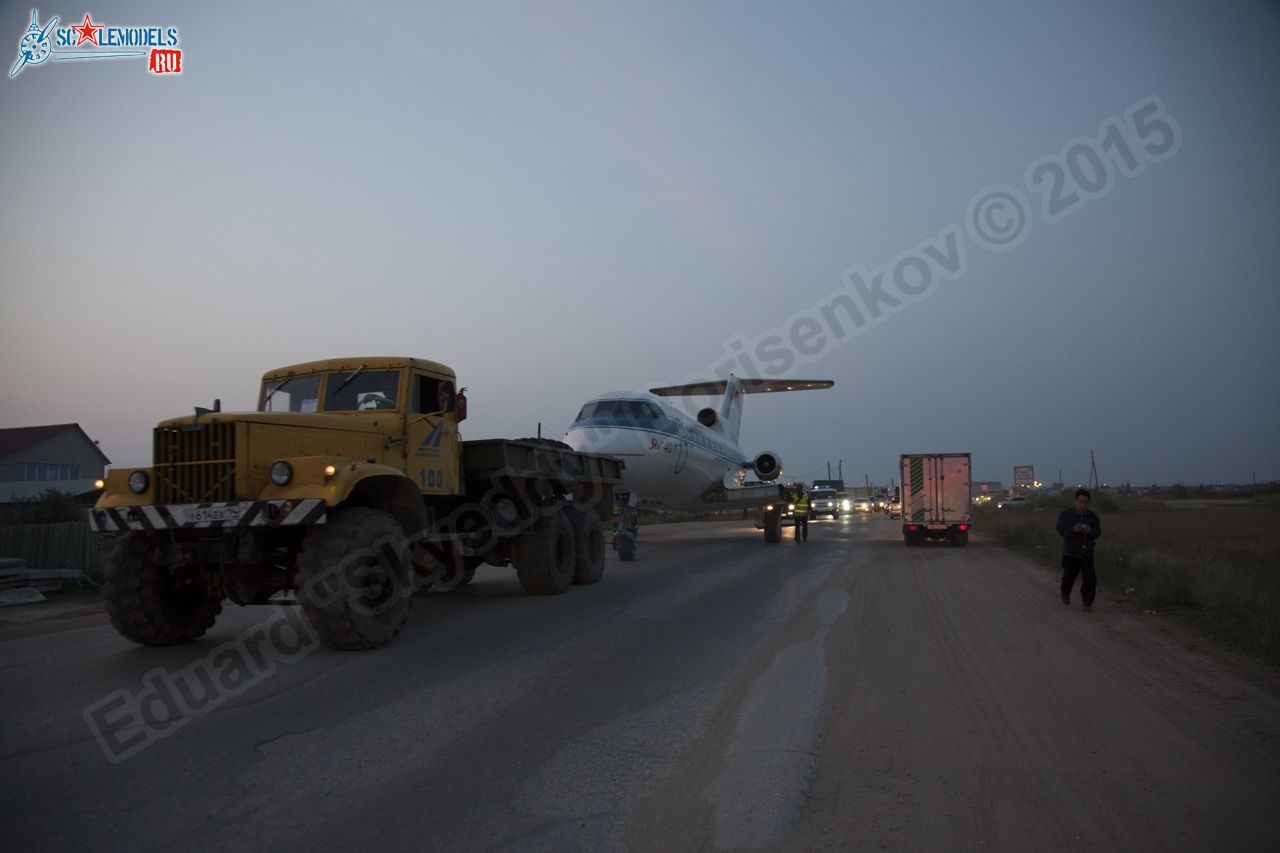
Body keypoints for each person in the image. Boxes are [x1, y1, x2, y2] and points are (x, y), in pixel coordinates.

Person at [1056, 488, 1102, 611]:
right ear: (1075, 501)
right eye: (1080, 502)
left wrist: (1090, 530)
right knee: (1069, 577)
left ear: (1088, 503)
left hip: (1087, 553)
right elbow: (1060, 529)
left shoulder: (1093, 517)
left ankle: (1087, 603)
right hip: (1071, 552)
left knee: (1090, 579)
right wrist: (1073, 529)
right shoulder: (1066, 515)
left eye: (1085, 503)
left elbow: (1098, 532)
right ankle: (1065, 593)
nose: (1082, 505)